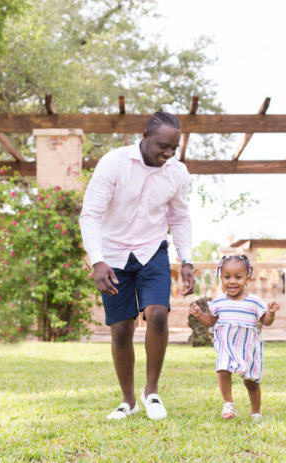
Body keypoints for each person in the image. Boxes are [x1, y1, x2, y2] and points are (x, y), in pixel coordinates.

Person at [79, 111, 195, 421]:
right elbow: (90, 215)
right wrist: (97, 260)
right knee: (121, 329)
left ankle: (151, 392)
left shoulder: (177, 172)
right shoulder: (113, 163)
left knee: (157, 313)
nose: (168, 154)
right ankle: (128, 400)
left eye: (174, 148)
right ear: (144, 136)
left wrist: (187, 260)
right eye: (163, 146)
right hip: (112, 255)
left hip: (151, 249)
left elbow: (180, 217)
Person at [189, 255, 281, 421]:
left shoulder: (254, 301)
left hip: (248, 347)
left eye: (238, 277)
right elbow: (210, 321)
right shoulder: (218, 302)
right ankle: (228, 403)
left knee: (251, 381)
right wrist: (199, 315)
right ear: (220, 277)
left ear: (248, 277)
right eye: (227, 277)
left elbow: (265, 322)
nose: (232, 281)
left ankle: (256, 412)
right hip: (226, 345)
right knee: (222, 368)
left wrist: (270, 313)